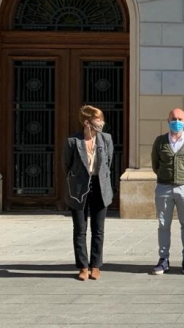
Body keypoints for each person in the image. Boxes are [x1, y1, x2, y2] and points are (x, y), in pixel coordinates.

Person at [64, 105, 114, 281]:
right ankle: (83, 267)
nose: (101, 122)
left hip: (100, 187)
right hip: (79, 189)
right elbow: (67, 165)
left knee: (98, 230)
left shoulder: (106, 139)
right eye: (98, 119)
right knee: (80, 229)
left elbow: (108, 163)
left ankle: (96, 266)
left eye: (101, 119)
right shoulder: (73, 141)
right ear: (87, 121)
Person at [150, 108, 184, 275]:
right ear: (168, 120)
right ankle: (163, 259)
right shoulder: (160, 141)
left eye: (180, 119)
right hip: (163, 187)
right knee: (163, 224)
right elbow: (155, 164)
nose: (177, 121)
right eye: (174, 118)